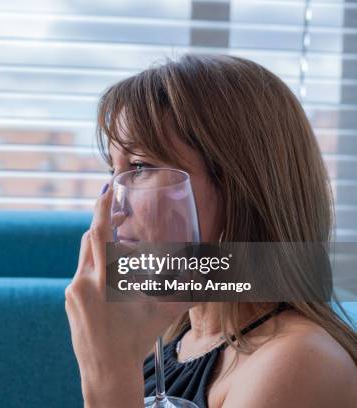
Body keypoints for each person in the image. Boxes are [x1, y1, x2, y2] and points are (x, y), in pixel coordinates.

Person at [65, 54, 357, 408]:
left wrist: (106, 373)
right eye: (114, 171)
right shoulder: (179, 338)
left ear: (240, 185)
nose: (114, 205)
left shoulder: (298, 365)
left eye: (140, 166)